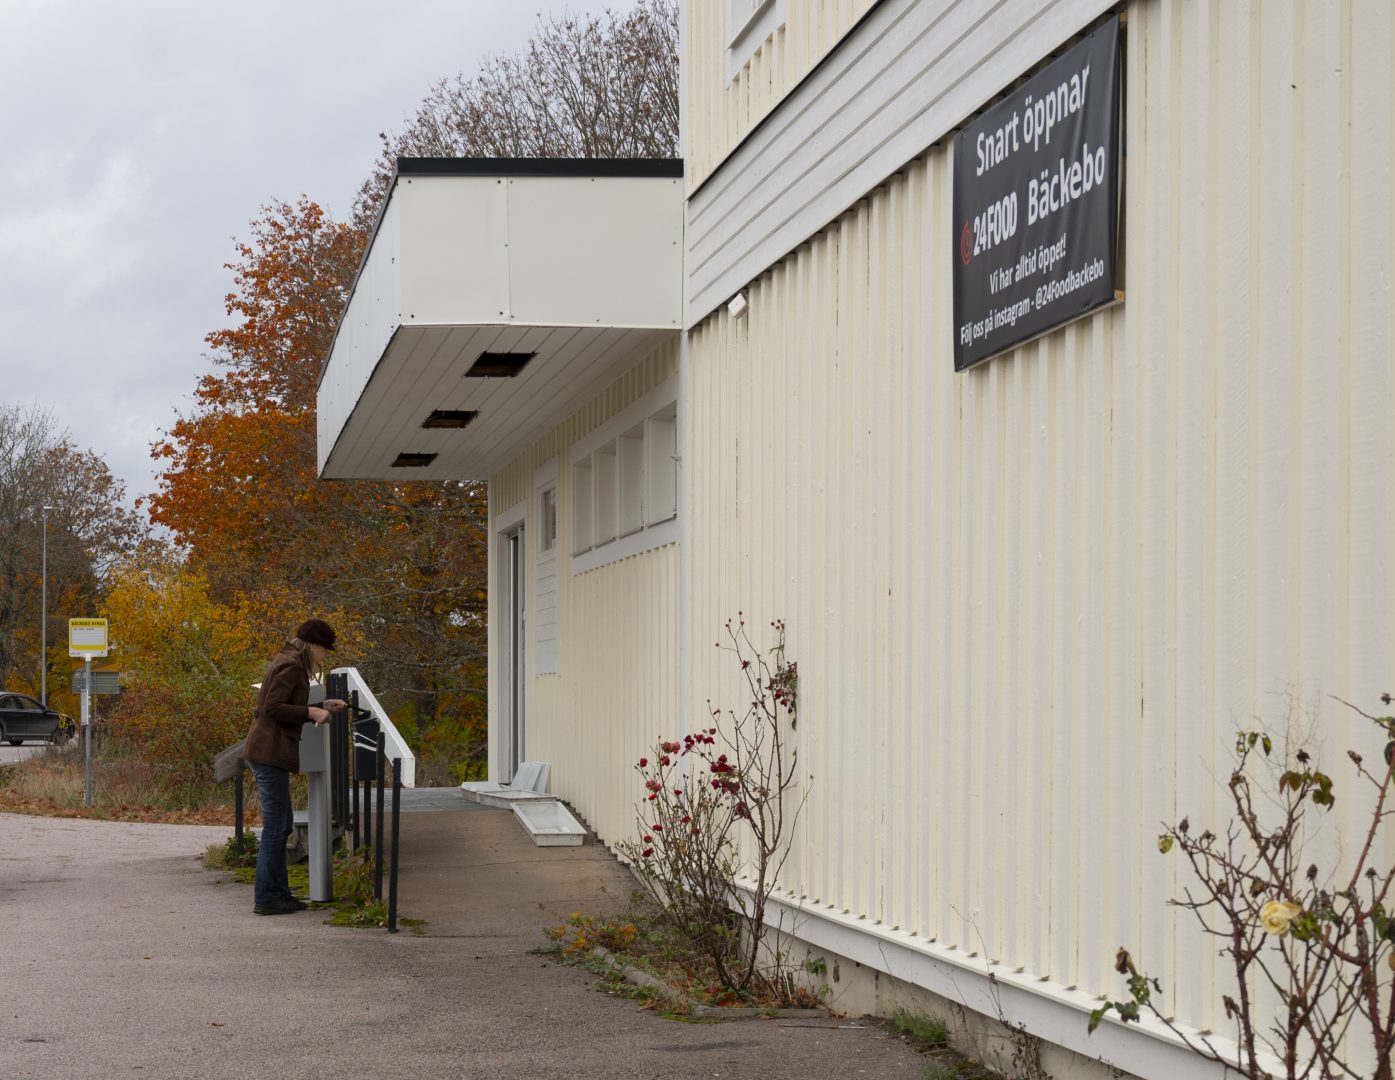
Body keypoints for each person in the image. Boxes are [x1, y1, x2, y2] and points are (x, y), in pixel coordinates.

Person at [243, 618, 347, 915]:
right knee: (276, 827)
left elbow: (283, 704)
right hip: (269, 753)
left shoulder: (288, 660)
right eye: (325, 648)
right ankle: (266, 897)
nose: (326, 654)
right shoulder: (291, 665)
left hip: (269, 752)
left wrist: (322, 706)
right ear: (313, 645)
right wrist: (311, 711)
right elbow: (272, 708)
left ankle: (279, 893)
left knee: (283, 824)